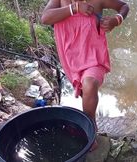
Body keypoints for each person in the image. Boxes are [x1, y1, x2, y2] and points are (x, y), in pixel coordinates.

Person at [41, 0, 129, 150]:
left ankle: (90, 131)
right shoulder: (61, 1)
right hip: (71, 57)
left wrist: (116, 20)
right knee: (84, 91)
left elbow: (124, 6)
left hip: (94, 54)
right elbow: (45, 18)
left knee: (89, 84)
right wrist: (73, 8)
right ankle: (89, 123)